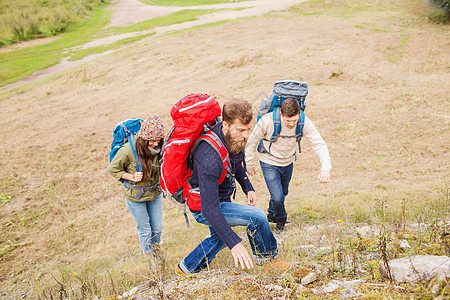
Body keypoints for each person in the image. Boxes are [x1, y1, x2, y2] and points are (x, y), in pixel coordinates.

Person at [175, 99, 291, 275]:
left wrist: (248, 187)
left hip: (217, 199)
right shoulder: (208, 157)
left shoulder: (232, 139)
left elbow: (235, 162)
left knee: (219, 238)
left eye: (248, 130)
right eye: (240, 130)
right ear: (225, 125)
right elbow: (209, 209)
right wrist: (235, 243)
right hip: (204, 205)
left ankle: (185, 268)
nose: (246, 135)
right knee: (257, 217)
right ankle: (267, 259)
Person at [246, 98, 331, 234]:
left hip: (288, 162)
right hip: (269, 162)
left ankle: (272, 215)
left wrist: (325, 168)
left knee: (282, 193)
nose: (291, 124)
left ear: (298, 114)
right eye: (288, 121)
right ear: (281, 114)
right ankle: (281, 221)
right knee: (278, 197)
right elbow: (252, 141)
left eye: (294, 120)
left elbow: (319, 144)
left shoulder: (303, 122)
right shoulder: (268, 121)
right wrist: (249, 163)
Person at [107, 116, 164, 269]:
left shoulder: (159, 149)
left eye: (158, 139)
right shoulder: (128, 151)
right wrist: (131, 176)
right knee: (145, 230)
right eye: (152, 140)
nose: (155, 143)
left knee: (157, 228)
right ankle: (150, 263)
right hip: (136, 198)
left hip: (154, 194)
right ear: (143, 138)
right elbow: (113, 169)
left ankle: (156, 252)